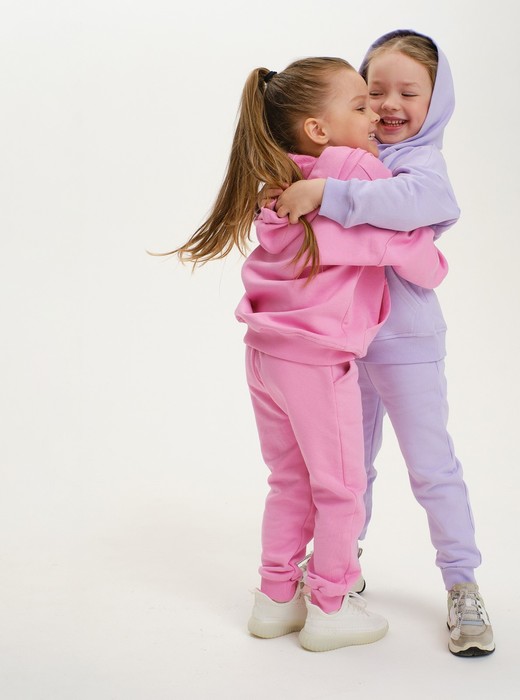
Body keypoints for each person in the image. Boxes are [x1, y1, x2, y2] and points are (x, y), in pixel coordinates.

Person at [170, 57, 448, 652]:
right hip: (315, 360)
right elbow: (412, 232)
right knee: (341, 486)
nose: (374, 115)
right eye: (360, 105)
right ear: (319, 129)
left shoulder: (277, 179)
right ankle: (331, 605)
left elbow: (329, 241)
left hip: (264, 354)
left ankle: (275, 599)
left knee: (289, 481)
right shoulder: (355, 166)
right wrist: (426, 256)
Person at [272, 30, 495, 657]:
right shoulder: (342, 152)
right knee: (349, 468)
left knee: (432, 467)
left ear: (437, 102)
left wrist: (329, 195)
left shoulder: (421, 163)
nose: (390, 105)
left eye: (410, 93)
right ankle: (341, 574)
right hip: (342, 343)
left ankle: (462, 584)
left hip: (405, 340)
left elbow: (420, 203)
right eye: (375, 92)